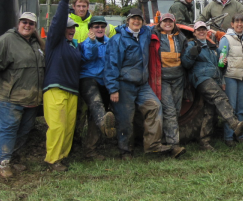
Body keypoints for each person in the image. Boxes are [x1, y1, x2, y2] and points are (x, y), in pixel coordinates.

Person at [0, 12, 45, 178]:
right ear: (19, 23)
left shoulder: (37, 43)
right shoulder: (7, 39)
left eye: (31, 23)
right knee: (9, 129)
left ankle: (14, 157)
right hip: (9, 96)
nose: (27, 25)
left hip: (31, 97)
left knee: (26, 129)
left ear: (35, 26)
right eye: (24, 22)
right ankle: (4, 162)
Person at [104, 8, 171, 160]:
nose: (136, 21)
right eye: (133, 19)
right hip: (124, 84)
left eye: (139, 19)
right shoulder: (118, 40)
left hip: (142, 84)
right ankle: (126, 151)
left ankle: (153, 146)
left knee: (155, 107)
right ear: (128, 21)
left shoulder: (144, 34)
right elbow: (111, 65)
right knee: (125, 118)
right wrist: (113, 89)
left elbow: (157, 27)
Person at [181, 21, 243, 151]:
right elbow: (185, 63)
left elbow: (219, 67)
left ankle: (204, 142)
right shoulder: (192, 44)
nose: (201, 32)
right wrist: (192, 53)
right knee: (219, 97)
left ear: (207, 32)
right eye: (198, 30)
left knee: (210, 110)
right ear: (195, 32)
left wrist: (223, 64)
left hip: (214, 79)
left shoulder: (212, 48)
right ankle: (235, 124)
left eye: (203, 29)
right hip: (201, 78)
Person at [43, 0, 83, 171]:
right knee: (57, 127)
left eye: (73, 28)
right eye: (68, 28)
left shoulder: (74, 47)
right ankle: (52, 160)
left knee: (68, 127)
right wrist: (64, 0)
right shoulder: (54, 43)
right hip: (55, 88)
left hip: (72, 91)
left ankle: (62, 157)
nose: (71, 31)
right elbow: (57, 22)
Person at [78, 15, 117, 161]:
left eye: (102, 26)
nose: (100, 29)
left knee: (96, 115)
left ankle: (90, 150)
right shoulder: (87, 43)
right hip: (88, 79)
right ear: (91, 30)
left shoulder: (110, 42)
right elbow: (89, 56)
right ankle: (105, 125)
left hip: (104, 81)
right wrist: (93, 41)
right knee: (96, 106)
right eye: (96, 27)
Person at [152, 13, 187, 158]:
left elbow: (186, 54)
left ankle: (166, 140)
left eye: (170, 21)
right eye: (165, 21)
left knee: (177, 109)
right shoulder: (155, 36)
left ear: (174, 23)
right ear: (160, 23)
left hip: (178, 77)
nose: (167, 24)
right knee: (170, 110)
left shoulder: (180, 37)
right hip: (163, 78)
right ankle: (174, 146)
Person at [218, 13, 243, 147]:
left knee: (242, 108)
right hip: (230, 77)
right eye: (237, 22)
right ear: (232, 24)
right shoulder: (226, 39)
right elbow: (220, 61)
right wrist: (222, 80)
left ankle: (240, 135)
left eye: (242, 22)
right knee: (231, 108)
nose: (239, 24)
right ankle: (228, 136)